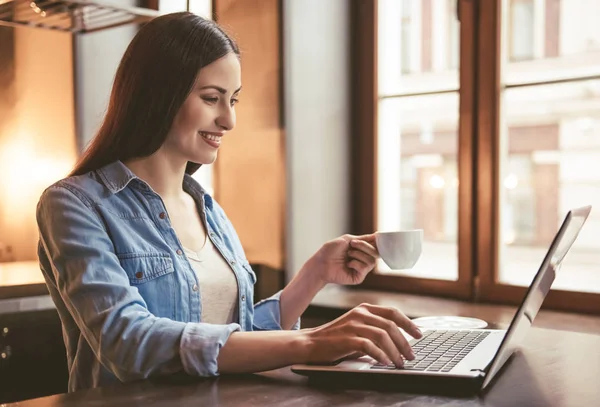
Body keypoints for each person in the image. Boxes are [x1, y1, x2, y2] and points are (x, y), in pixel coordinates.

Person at [36, 12, 422, 392]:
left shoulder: (208, 210)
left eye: (233, 100)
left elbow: (240, 337)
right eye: (211, 98)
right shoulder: (74, 205)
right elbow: (127, 341)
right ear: (158, 95)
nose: (229, 120)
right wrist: (312, 342)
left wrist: (314, 274)